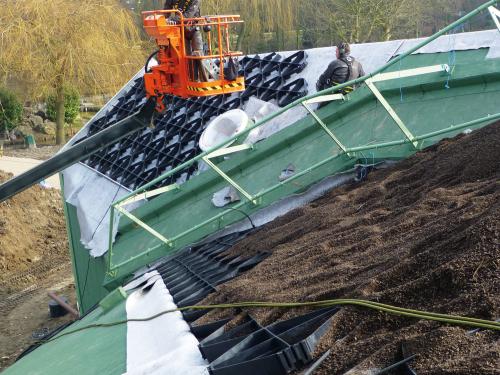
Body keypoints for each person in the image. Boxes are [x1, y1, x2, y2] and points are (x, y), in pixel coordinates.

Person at [164, 0, 207, 81]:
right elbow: (166, 10)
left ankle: (203, 80)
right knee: (185, 56)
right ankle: (191, 79)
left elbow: (189, 14)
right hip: (181, 29)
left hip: (193, 27)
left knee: (199, 54)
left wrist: (172, 19)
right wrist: (163, 20)